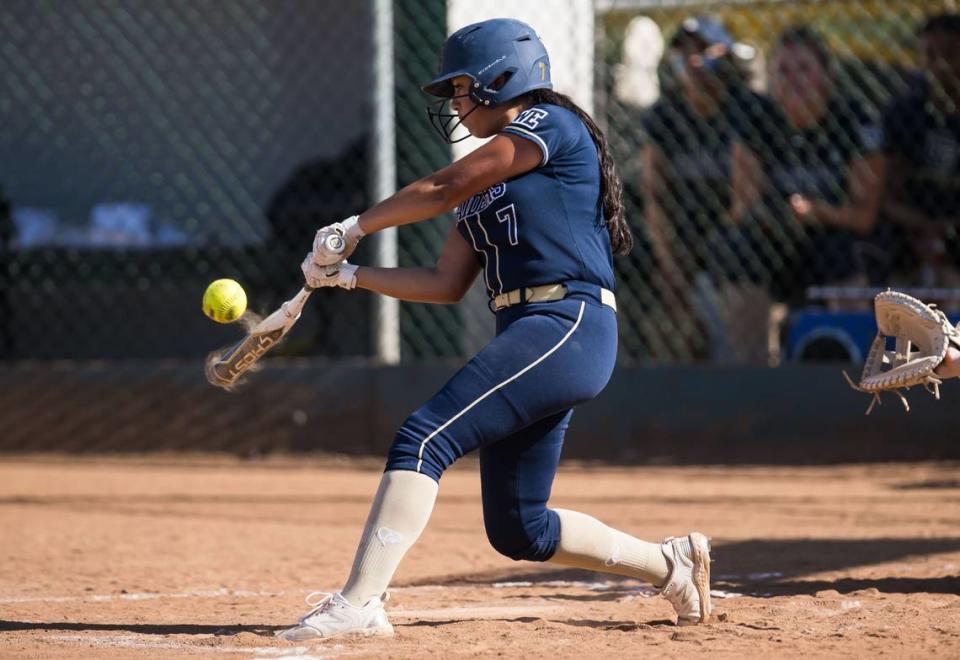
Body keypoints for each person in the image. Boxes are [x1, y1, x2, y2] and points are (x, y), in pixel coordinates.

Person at [276, 18, 713, 641]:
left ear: (502, 77)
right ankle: (670, 564)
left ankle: (359, 604)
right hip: (534, 333)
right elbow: (444, 282)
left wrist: (355, 225)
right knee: (518, 528)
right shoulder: (487, 190)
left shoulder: (549, 125)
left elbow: (445, 184)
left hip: (568, 322)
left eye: (462, 87)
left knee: (423, 439)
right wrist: (349, 275)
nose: (455, 102)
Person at [640, 16, 770, 363]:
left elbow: (747, 196)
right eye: (684, 53)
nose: (693, 61)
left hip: (735, 232)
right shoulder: (665, 115)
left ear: (725, 56)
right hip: (682, 233)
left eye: (703, 51)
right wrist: (669, 261)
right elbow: (655, 195)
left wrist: (709, 248)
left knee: (735, 250)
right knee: (634, 258)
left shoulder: (747, 108)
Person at [731, 26, 886, 304]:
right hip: (777, 237)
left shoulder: (852, 119)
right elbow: (745, 207)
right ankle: (750, 348)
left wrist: (817, 211)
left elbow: (864, 216)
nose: (794, 80)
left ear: (826, 76)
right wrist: (780, 216)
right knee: (739, 250)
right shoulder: (756, 120)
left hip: (838, 235)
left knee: (842, 252)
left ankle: (846, 344)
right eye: (783, 71)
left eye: (804, 69)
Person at [881, 13, 960, 287]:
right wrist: (923, 228)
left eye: (949, 54)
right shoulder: (903, 112)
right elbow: (887, 193)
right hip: (909, 227)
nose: (939, 65)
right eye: (929, 54)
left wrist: (949, 228)